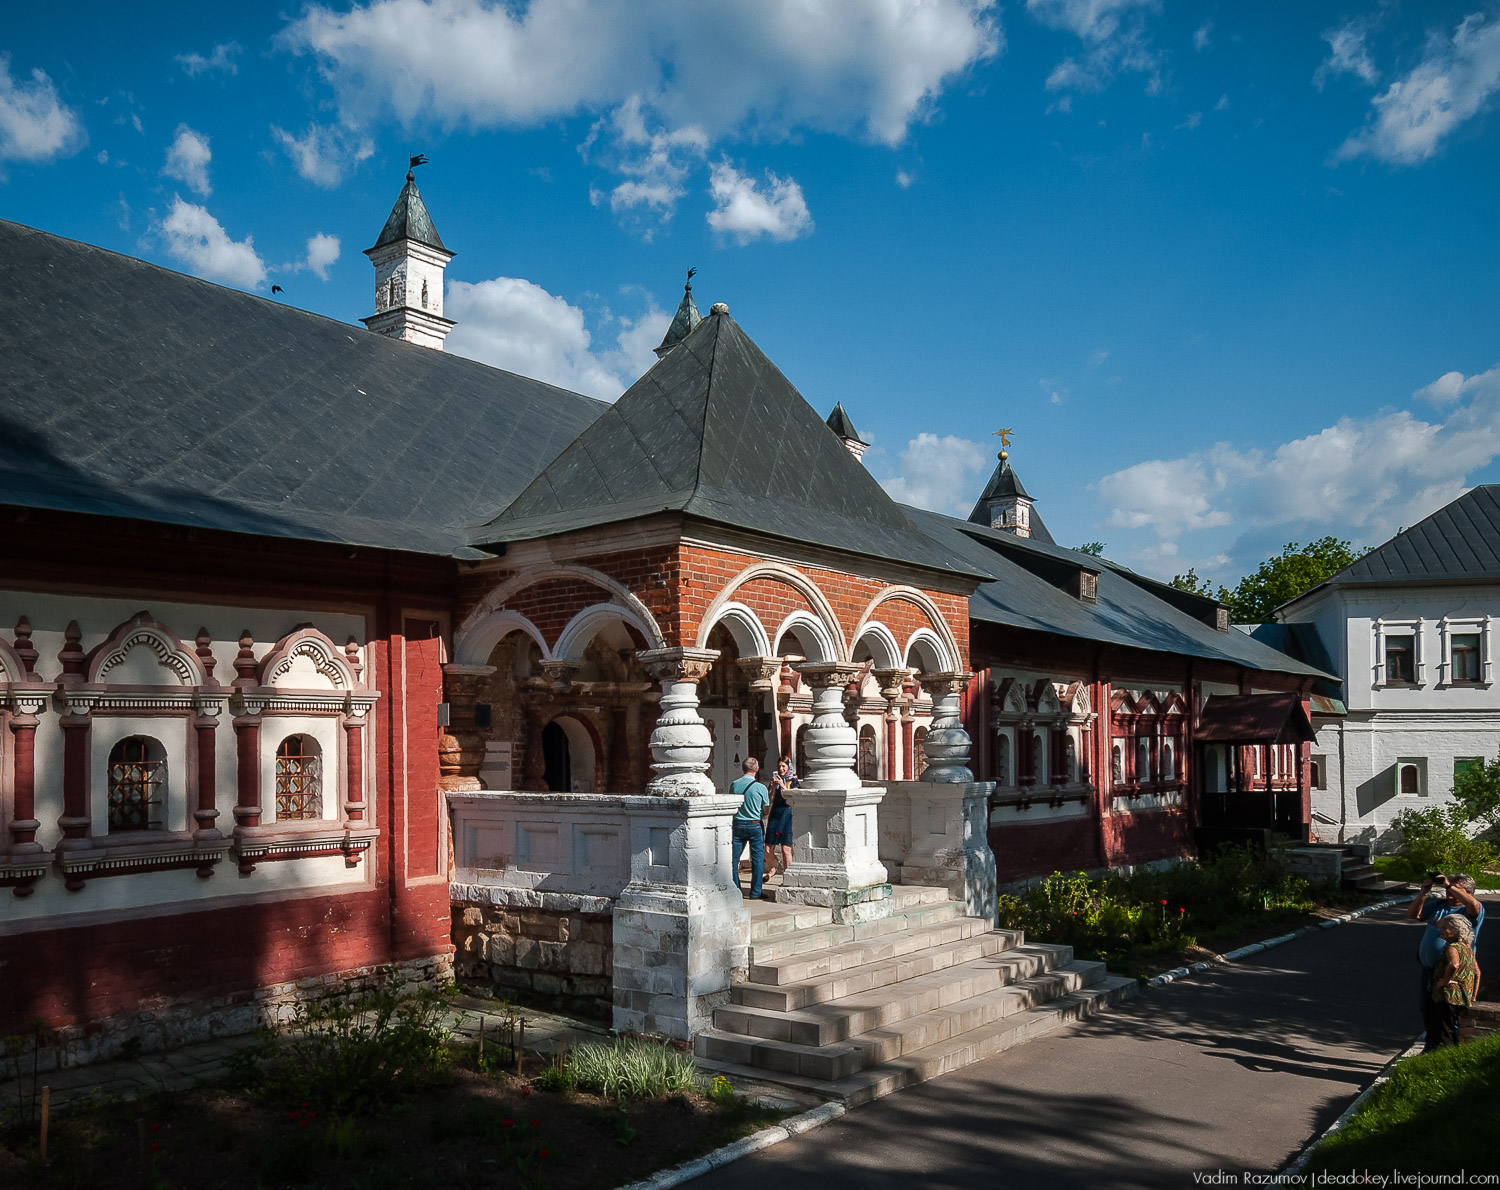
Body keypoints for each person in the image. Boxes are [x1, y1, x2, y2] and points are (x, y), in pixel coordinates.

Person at [1406, 871, 1485, 1050]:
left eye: (1456, 889)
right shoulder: (1439, 906)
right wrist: (1423, 894)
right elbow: (1412, 915)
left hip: (1453, 973)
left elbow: (1474, 905)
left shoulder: (1470, 909)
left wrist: (1448, 884)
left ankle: (1449, 1050)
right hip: (1429, 970)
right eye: (1448, 888)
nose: (1449, 892)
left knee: (1449, 1014)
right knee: (1428, 1010)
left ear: (1469, 892)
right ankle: (1431, 1046)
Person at [1429, 913, 1481, 1049]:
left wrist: (1445, 981)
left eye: (1445, 928)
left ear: (1456, 931)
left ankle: (1443, 1057)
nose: (1442, 931)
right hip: (1463, 995)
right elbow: (1477, 972)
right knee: (1454, 1027)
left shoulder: (1453, 947)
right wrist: (1473, 995)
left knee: (1445, 1030)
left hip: (1448, 996)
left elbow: (1454, 964)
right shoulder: (1467, 948)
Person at [730, 757, 770, 900]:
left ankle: (735, 890)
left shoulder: (734, 785)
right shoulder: (761, 788)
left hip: (738, 824)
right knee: (758, 859)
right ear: (757, 769)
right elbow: (765, 811)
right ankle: (755, 892)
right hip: (754, 824)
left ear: (743, 769)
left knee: (733, 859)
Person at [764, 757, 797, 880]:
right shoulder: (775, 781)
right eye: (779, 766)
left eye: (783, 766)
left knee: (785, 849)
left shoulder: (793, 780)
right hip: (775, 815)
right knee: (768, 847)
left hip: (787, 815)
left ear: (788, 767)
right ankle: (772, 869)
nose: (781, 769)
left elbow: (792, 798)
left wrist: (783, 785)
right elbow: (770, 800)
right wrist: (773, 787)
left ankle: (788, 876)